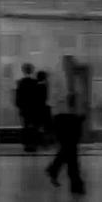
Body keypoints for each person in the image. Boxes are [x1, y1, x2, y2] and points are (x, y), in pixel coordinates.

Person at [46, 57, 87, 193]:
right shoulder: (56, 78)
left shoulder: (77, 79)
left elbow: (81, 97)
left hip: (75, 117)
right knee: (70, 149)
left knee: (70, 149)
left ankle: (54, 169)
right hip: (62, 117)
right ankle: (75, 183)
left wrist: (81, 112)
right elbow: (51, 100)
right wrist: (66, 96)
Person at [15, 64, 40, 152]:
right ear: (32, 71)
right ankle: (34, 144)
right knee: (34, 127)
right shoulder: (36, 82)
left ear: (23, 71)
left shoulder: (20, 82)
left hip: (25, 109)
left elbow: (18, 98)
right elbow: (38, 98)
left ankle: (27, 145)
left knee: (25, 127)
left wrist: (20, 106)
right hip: (34, 109)